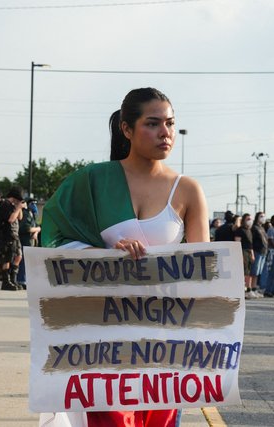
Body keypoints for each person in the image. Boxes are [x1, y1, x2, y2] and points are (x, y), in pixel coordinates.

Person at [40, 87, 209, 427]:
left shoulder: (188, 189)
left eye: (171, 123)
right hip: (101, 337)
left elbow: (203, 269)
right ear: (127, 129)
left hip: (163, 335)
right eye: (153, 123)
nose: (166, 133)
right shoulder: (92, 181)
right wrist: (102, 256)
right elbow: (52, 239)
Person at [0, 187, 24, 291]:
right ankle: (6, 281)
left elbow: (19, 218)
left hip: (14, 235)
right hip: (6, 235)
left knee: (18, 256)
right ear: (13, 198)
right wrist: (18, 208)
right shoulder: (5, 205)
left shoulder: (13, 206)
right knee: (7, 258)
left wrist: (19, 207)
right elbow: (11, 219)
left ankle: (13, 279)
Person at [17, 198, 40, 287]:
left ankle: (25, 280)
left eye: (35, 203)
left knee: (28, 262)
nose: (34, 205)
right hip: (25, 241)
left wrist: (36, 232)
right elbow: (27, 228)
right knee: (23, 261)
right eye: (32, 203)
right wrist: (38, 229)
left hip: (31, 242)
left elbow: (36, 225)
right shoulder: (25, 214)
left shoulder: (33, 214)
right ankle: (21, 280)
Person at [250, 212, 268, 297]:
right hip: (257, 251)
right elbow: (251, 241)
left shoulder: (262, 228)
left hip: (263, 251)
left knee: (258, 272)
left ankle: (254, 289)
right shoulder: (254, 228)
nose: (263, 218)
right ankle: (250, 289)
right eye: (261, 216)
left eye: (264, 216)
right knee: (254, 271)